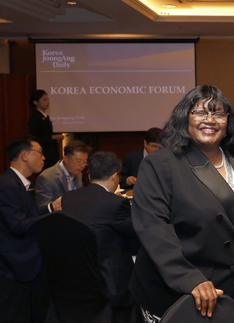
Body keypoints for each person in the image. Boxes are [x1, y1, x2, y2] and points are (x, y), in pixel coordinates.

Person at [129, 85, 234, 323]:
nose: (210, 120)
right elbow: (154, 229)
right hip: (186, 290)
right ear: (184, 118)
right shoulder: (161, 164)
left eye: (218, 114)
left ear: (227, 121)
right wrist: (189, 279)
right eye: (200, 112)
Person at [60, 151, 138, 307]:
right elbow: (136, 232)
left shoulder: (68, 197)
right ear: (115, 176)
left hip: (72, 276)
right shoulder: (116, 203)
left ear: (89, 176)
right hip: (108, 280)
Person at [0, 136, 61, 322]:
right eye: (40, 152)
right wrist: (53, 216)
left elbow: (27, 214)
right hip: (15, 266)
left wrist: (51, 208)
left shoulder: (17, 182)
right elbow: (18, 225)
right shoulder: (8, 185)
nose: (44, 158)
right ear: (25, 156)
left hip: (25, 264)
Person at [35, 140, 90, 208]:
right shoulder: (47, 177)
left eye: (85, 162)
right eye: (78, 161)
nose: (82, 165)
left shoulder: (79, 174)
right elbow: (43, 208)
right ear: (66, 159)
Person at [28, 89, 64, 170]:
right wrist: (53, 137)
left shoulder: (45, 116)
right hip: (44, 154)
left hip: (50, 154)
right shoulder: (35, 118)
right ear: (36, 102)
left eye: (48, 99)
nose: (47, 102)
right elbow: (36, 138)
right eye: (44, 100)